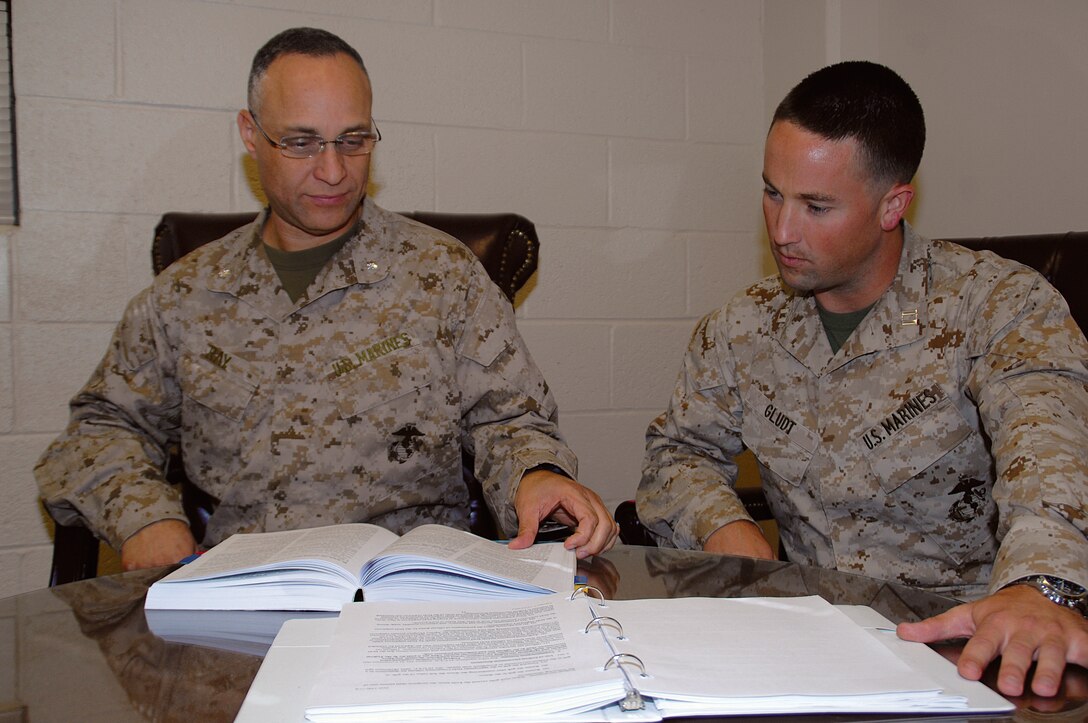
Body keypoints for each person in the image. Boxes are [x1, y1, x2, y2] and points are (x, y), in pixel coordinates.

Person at [36, 27, 617, 571]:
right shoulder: (186, 295)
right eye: (301, 142)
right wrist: (146, 521)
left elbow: (511, 418)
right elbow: (100, 430)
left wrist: (536, 474)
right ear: (250, 133)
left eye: (353, 140)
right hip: (245, 599)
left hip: (408, 596)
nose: (333, 170)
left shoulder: (443, 276)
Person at [638, 60, 1088, 697]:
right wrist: (726, 528)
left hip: (967, 644)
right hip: (803, 643)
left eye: (816, 206)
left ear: (892, 204)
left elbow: (1051, 455)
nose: (783, 230)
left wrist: (1038, 587)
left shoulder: (998, 306)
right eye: (772, 192)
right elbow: (675, 456)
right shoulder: (742, 328)